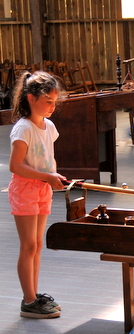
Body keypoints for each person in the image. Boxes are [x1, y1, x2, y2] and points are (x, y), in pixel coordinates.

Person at [8, 71, 66, 318]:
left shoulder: (49, 126)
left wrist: (55, 176)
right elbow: (16, 165)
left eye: (55, 102)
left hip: (43, 188)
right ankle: (28, 301)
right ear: (31, 98)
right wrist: (47, 177)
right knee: (28, 245)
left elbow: (46, 160)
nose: (53, 107)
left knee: (38, 245)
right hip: (25, 190)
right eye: (48, 102)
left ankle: (33, 295)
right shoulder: (23, 128)